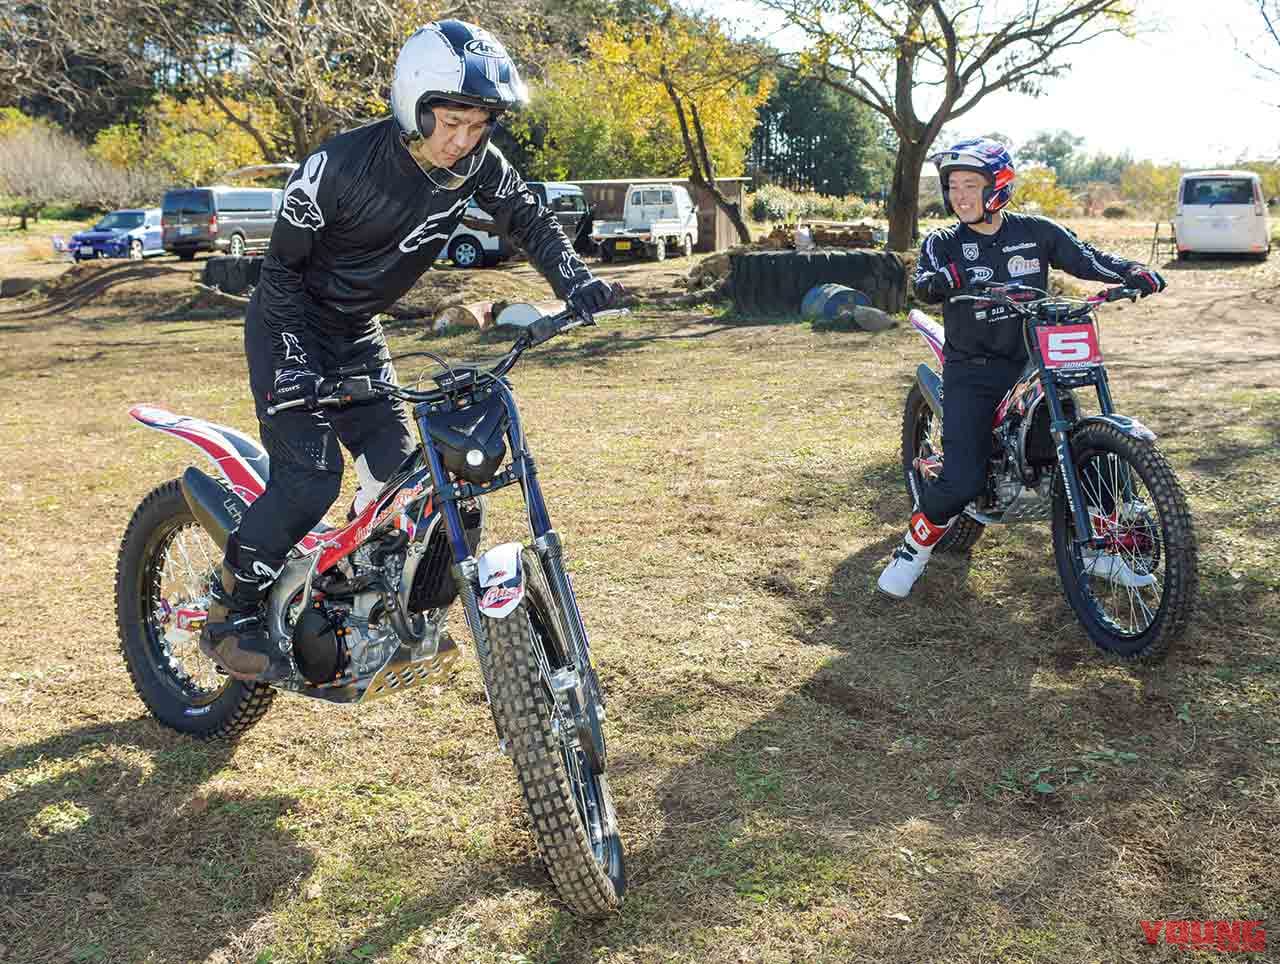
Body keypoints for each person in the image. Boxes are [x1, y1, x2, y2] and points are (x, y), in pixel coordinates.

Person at [201, 20, 620, 680]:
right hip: (289, 327)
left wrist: (577, 283)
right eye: (451, 122)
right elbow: (280, 272)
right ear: (413, 103)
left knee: (403, 482)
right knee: (311, 477)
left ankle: (346, 598)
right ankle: (231, 614)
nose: (464, 140)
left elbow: (529, 219)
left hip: (356, 331)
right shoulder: (337, 167)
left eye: (478, 124)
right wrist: (294, 365)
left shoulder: (480, 165)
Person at [877, 137, 1166, 599]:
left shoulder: (1036, 231)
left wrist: (1131, 271)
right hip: (972, 370)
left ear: (998, 187)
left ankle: (1096, 547)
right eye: (953, 186)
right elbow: (924, 283)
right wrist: (945, 280)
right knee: (963, 478)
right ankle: (914, 548)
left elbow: (1087, 257)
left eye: (970, 185)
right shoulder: (944, 241)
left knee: (1072, 441)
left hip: (1033, 361)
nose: (959, 196)